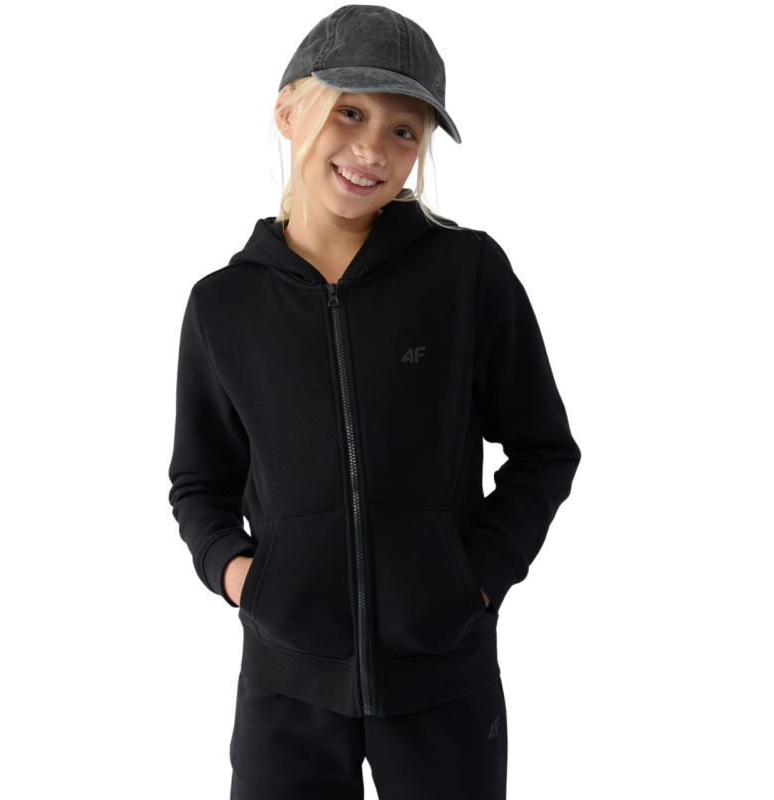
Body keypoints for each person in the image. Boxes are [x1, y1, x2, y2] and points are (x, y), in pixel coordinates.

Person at [167, 5, 582, 798]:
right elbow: (199, 483)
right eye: (350, 112)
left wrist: (479, 577)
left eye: (403, 130)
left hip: (444, 681)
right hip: (285, 687)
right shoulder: (224, 305)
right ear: (289, 111)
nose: (372, 150)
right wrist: (241, 576)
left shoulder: (466, 274)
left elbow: (543, 450)